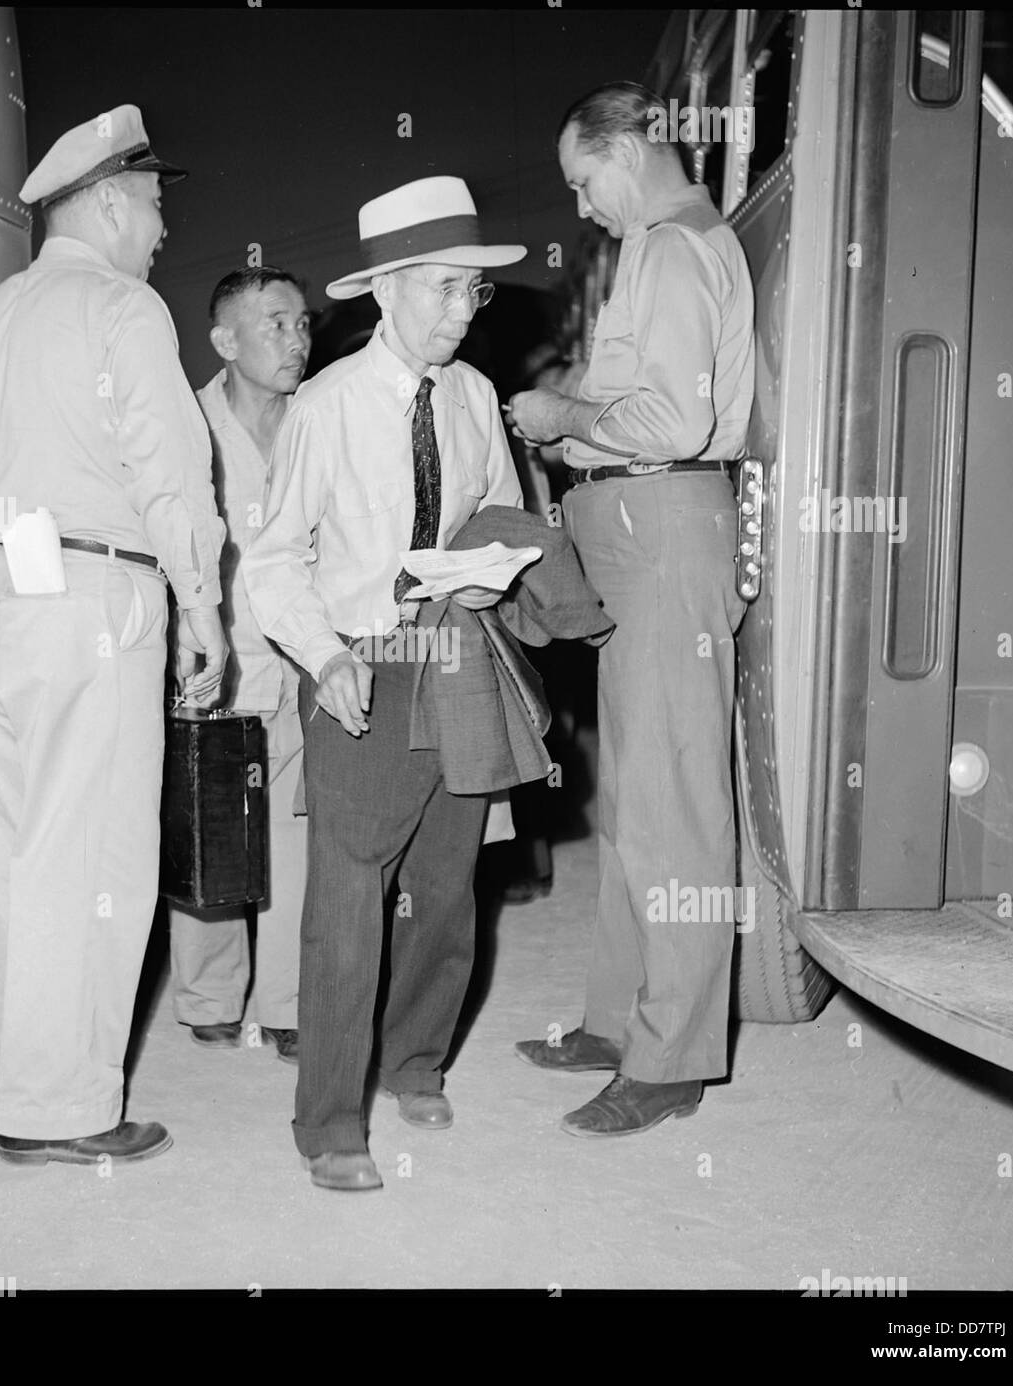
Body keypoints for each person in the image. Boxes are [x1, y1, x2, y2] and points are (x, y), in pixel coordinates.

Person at [0, 105, 226, 1166]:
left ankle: (38, 1092)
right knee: (98, 856)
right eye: (151, 206)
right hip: (94, 594)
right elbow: (171, 480)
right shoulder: (122, 309)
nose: (158, 231)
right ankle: (65, 1112)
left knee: (28, 855)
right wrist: (204, 609)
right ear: (106, 200)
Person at [242, 176, 526, 1191]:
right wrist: (323, 658)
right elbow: (270, 563)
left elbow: (503, 512)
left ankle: (415, 1060)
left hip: (454, 653)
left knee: (447, 888)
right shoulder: (322, 408)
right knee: (347, 901)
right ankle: (327, 1122)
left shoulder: (475, 398)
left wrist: (490, 564)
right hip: (361, 663)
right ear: (389, 289)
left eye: (472, 294)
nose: (461, 311)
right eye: (445, 289)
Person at [508, 82, 754, 1136]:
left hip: (662, 536)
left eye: (583, 180)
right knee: (631, 809)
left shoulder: (671, 245)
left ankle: (673, 1059)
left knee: (674, 811)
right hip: (635, 534)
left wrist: (561, 415)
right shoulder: (655, 249)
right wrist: (573, 432)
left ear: (629, 148)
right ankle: (620, 1020)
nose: (582, 206)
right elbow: (637, 407)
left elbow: (674, 415)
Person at [168, 267, 312, 1065]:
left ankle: (287, 1003)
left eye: (301, 324)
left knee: (295, 829)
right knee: (210, 818)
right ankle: (210, 998)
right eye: (276, 324)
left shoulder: (318, 417)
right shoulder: (183, 423)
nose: (296, 339)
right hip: (217, 658)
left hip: (301, 658)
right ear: (225, 341)